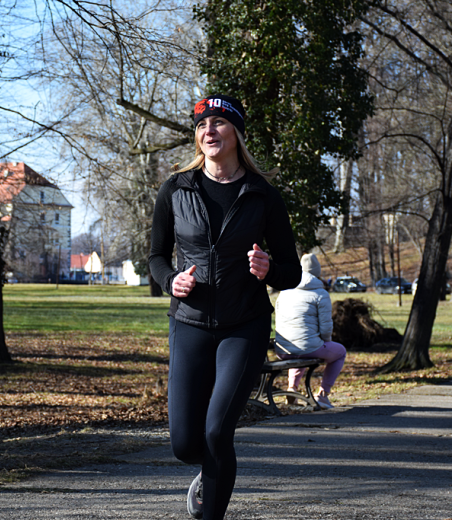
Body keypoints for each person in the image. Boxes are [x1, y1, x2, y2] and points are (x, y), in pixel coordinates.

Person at [149, 94, 301, 519]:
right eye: (201, 125)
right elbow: (156, 256)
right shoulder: (176, 188)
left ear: (236, 133)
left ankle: (212, 508)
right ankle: (206, 473)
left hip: (244, 325)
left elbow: (290, 272)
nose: (208, 131)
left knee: (217, 432)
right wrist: (169, 280)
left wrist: (269, 268)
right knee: (184, 444)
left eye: (218, 122)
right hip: (190, 322)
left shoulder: (262, 195)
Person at [274, 253, 347, 409]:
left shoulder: (284, 292)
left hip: (282, 348)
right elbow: (326, 326)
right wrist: (326, 342)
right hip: (307, 347)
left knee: (299, 347)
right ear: (317, 272)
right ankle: (323, 395)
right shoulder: (320, 294)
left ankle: (292, 388)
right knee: (340, 352)